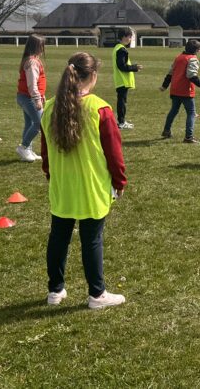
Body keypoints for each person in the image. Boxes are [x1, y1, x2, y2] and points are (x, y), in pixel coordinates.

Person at [40, 52, 128, 310]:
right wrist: (119, 181)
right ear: (93, 76)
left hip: (62, 185)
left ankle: (55, 290)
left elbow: (45, 149)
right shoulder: (100, 109)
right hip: (91, 186)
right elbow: (114, 152)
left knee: (59, 236)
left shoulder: (49, 107)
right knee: (91, 239)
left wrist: (50, 174)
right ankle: (96, 294)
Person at [160, 39, 200, 143]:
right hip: (186, 91)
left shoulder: (178, 57)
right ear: (196, 50)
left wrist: (164, 86)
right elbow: (191, 76)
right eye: (199, 50)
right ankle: (188, 137)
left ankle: (166, 130)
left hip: (175, 89)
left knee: (173, 111)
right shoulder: (192, 59)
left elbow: (170, 73)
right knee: (191, 113)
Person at [16, 34, 48, 162]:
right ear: (36, 47)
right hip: (28, 98)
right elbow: (32, 83)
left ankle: (27, 150)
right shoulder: (32, 62)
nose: (43, 48)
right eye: (42, 46)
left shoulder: (31, 60)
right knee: (39, 123)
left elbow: (35, 82)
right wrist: (37, 98)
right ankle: (24, 147)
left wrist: (41, 95)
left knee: (29, 123)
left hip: (25, 96)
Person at [112, 30, 143, 129]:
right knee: (122, 102)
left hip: (120, 79)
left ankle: (122, 121)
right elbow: (122, 66)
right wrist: (134, 67)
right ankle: (121, 122)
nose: (130, 39)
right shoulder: (121, 50)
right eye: (129, 37)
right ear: (123, 37)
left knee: (121, 101)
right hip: (123, 80)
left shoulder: (117, 48)